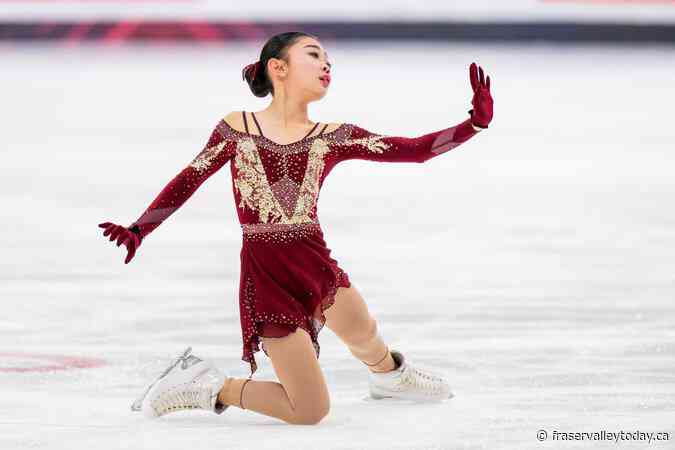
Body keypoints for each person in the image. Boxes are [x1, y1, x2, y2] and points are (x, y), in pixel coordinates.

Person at [98, 31, 494, 425]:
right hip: (268, 278)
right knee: (309, 409)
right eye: (314, 55)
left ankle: (391, 377)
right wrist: (139, 229)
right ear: (278, 67)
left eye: (329, 62)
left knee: (363, 331)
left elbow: (414, 150)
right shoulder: (238, 128)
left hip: (313, 261)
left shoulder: (333, 137)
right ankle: (208, 384)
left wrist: (471, 126)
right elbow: (191, 177)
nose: (326, 65)